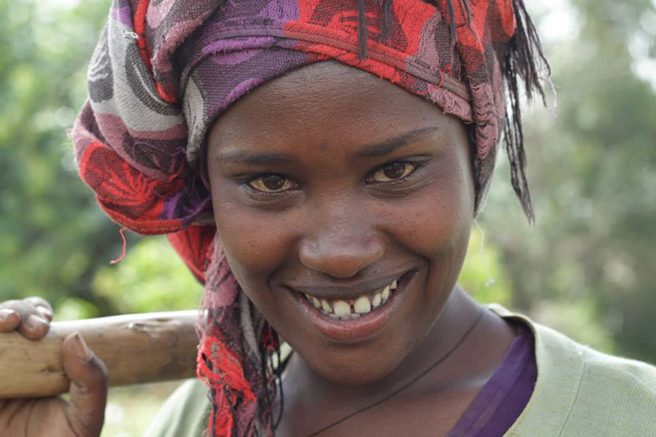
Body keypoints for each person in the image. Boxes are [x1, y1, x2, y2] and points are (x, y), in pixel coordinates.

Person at [1, 0, 655, 436]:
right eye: (268, 181)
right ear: (208, 192)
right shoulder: (200, 420)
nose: (338, 251)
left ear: (475, 153)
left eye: (395, 171)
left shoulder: (626, 416)